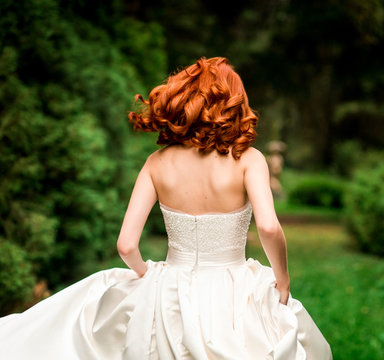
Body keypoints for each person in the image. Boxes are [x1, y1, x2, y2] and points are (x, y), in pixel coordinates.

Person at [0, 57, 332, 359]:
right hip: (233, 291)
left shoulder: (156, 163)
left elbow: (126, 244)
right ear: (233, 102)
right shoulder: (248, 159)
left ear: (183, 99)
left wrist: (148, 276)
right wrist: (282, 278)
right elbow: (270, 227)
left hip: (170, 289)